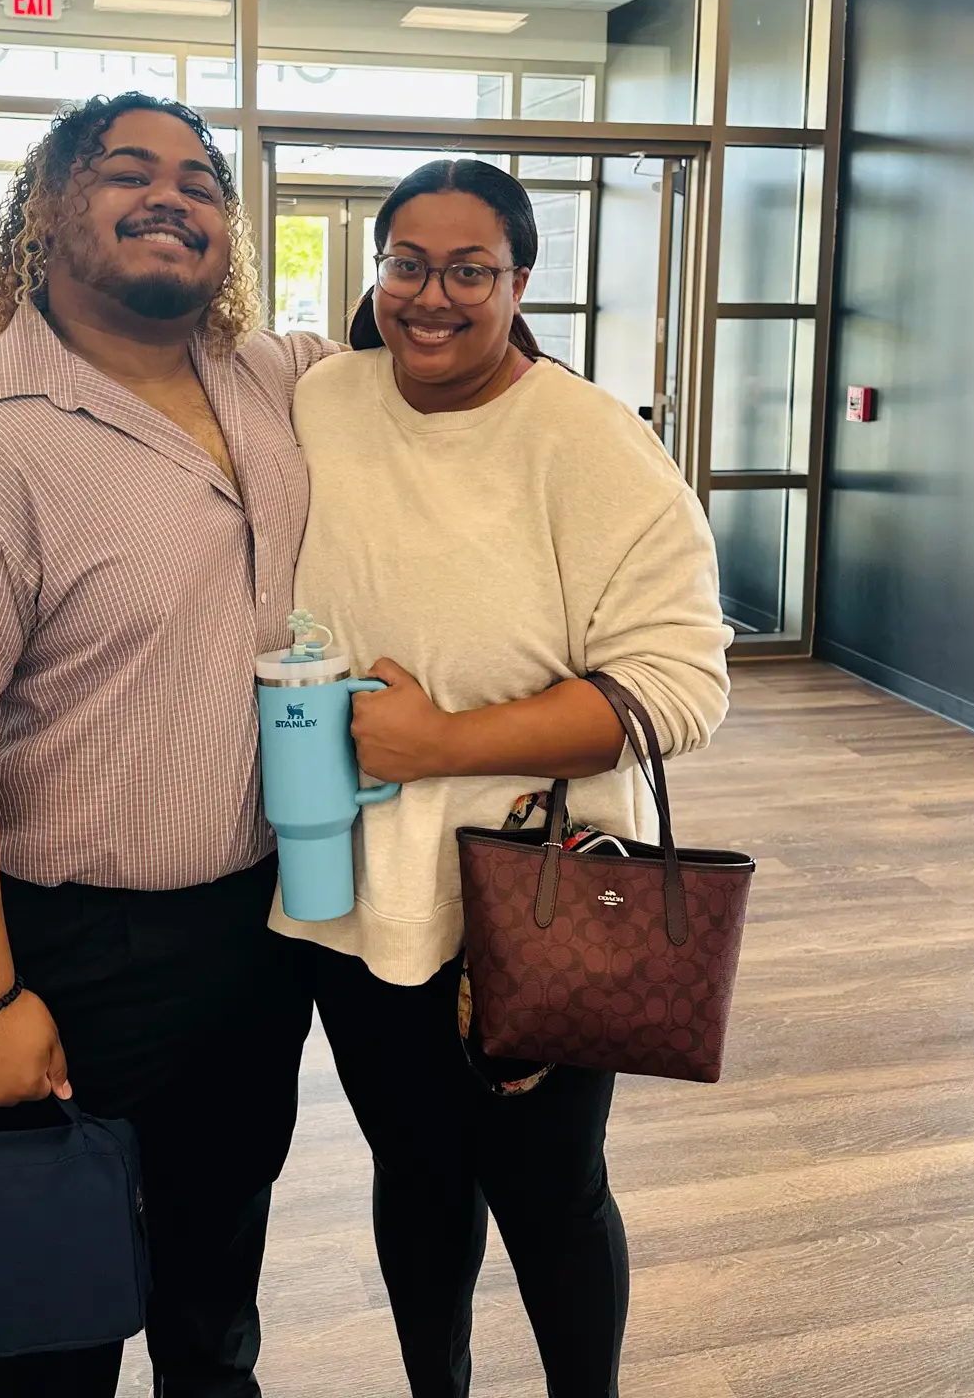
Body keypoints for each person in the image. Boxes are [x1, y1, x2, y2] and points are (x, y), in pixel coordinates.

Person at [0, 92, 334, 1398]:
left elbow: (441, 347)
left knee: (215, 1300)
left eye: (201, 180)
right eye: (126, 170)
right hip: (72, 954)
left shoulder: (271, 380)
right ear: (46, 213)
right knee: (49, 1331)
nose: (171, 194)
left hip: (258, 931)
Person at [272, 159, 732, 1398]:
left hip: (541, 893)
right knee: (415, 1176)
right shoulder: (324, 398)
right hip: (352, 885)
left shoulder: (591, 440)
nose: (433, 296)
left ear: (519, 282)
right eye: (408, 265)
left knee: (548, 1190)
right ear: (376, 271)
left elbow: (682, 687)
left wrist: (441, 743)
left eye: (469, 270)